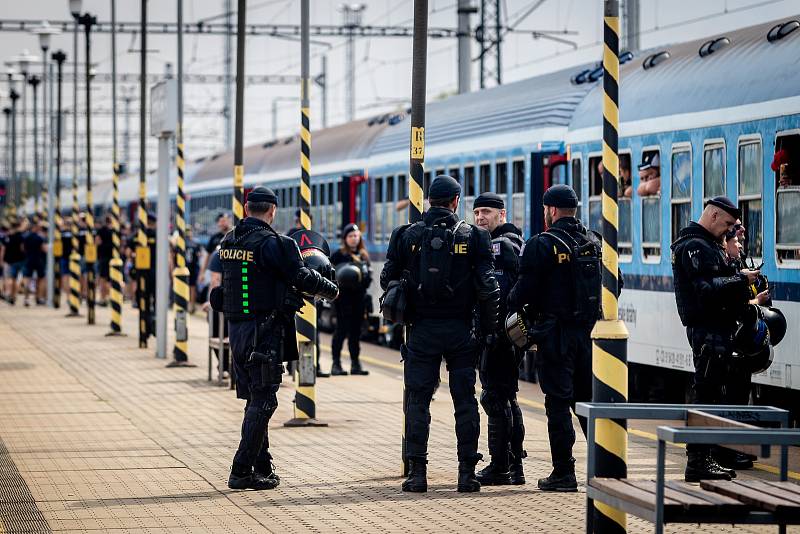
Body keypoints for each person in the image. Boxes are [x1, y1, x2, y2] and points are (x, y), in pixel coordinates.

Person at [381, 174, 500, 493]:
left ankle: (417, 473)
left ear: (428, 201)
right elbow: (488, 288)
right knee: (465, 400)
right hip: (461, 330)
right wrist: (488, 330)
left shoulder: (406, 234)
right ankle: (466, 474)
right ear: (456, 202)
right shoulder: (474, 235)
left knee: (418, 400)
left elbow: (386, 279)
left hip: (420, 331)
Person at [216, 186, 338, 491]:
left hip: (237, 331)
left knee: (255, 400)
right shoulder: (275, 243)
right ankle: (241, 469)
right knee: (265, 400)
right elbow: (301, 277)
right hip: (264, 332)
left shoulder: (229, 240)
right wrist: (330, 289)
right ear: (272, 211)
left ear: (246, 209)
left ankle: (262, 468)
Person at [508, 184, 617, 492]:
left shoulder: (541, 244)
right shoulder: (595, 242)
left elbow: (522, 293)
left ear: (551, 210)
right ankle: (605, 467)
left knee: (557, 402)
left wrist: (514, 304)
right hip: (587, 335)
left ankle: (563, 472)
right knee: (586, 401)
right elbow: (614, 287)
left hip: (554, 335)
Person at [671, 196, 760, 482]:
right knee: (706, 395)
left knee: (711, 395)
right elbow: (707, 290)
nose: (728, 231)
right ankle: (698, 461)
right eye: (727, 224)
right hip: (707, 331)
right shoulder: (694, 247)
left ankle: (706, 458)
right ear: (713, 216)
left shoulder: (707, 244)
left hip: (716, 330)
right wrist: (742, 279)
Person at [471, 192, 526, 486]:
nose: (480, 218)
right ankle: (514, 465)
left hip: (499, 336)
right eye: (477, 212)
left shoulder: (499, 246)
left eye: (487, 213)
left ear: (501, 215)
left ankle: (501, 466)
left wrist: (492, 331)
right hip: (509, 334)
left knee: (494, 398)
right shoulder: (514, 242)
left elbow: (501, 292)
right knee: (508, 397)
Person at [329, 223, 371, 376]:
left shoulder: (363, 255)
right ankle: (336, 364)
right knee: (340, 332)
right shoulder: (338, 255)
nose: (354, 239)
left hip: (358, 300)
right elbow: (330, 276)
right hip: (342, 300)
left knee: (355, 334)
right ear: (345, 238)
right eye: (351, 236)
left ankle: (355, 364)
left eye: (356, 236)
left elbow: (368, 279)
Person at [198, 212, 232, 286]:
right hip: (216, 271)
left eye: (224, 221)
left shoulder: (234, 236)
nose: (222, 223)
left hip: (231, 270)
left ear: (229, 221)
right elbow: (207, 256)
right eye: (220, 221)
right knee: (214, 289)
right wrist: (202, 273)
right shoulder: (214, 238)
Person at [21, 218, 46, 306]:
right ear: (35, 227)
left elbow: (22, 248)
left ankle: (26, 299)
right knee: (41, 279)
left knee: (27, 279)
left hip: (28, 260)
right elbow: (44, 249)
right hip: (38, 260)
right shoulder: (39, 237)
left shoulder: (26, 237)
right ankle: (38, 298)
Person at [3, 219, 26, 305]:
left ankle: (10, 295)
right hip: (20, 260)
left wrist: (2, 260)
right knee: (19, 279)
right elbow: (22, 248)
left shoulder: (8, 237)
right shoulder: (20, 236)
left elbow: (3, 249)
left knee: (11, 279)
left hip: (10, 260)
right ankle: (14, 296)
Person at [96, 215, 114, 306]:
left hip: (103, 257)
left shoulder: (101, 230)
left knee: (103, 279)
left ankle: (103, 298)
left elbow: (97, 241)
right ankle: (111, 297)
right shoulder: (115, 230)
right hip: (114, 258)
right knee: (111, 280)